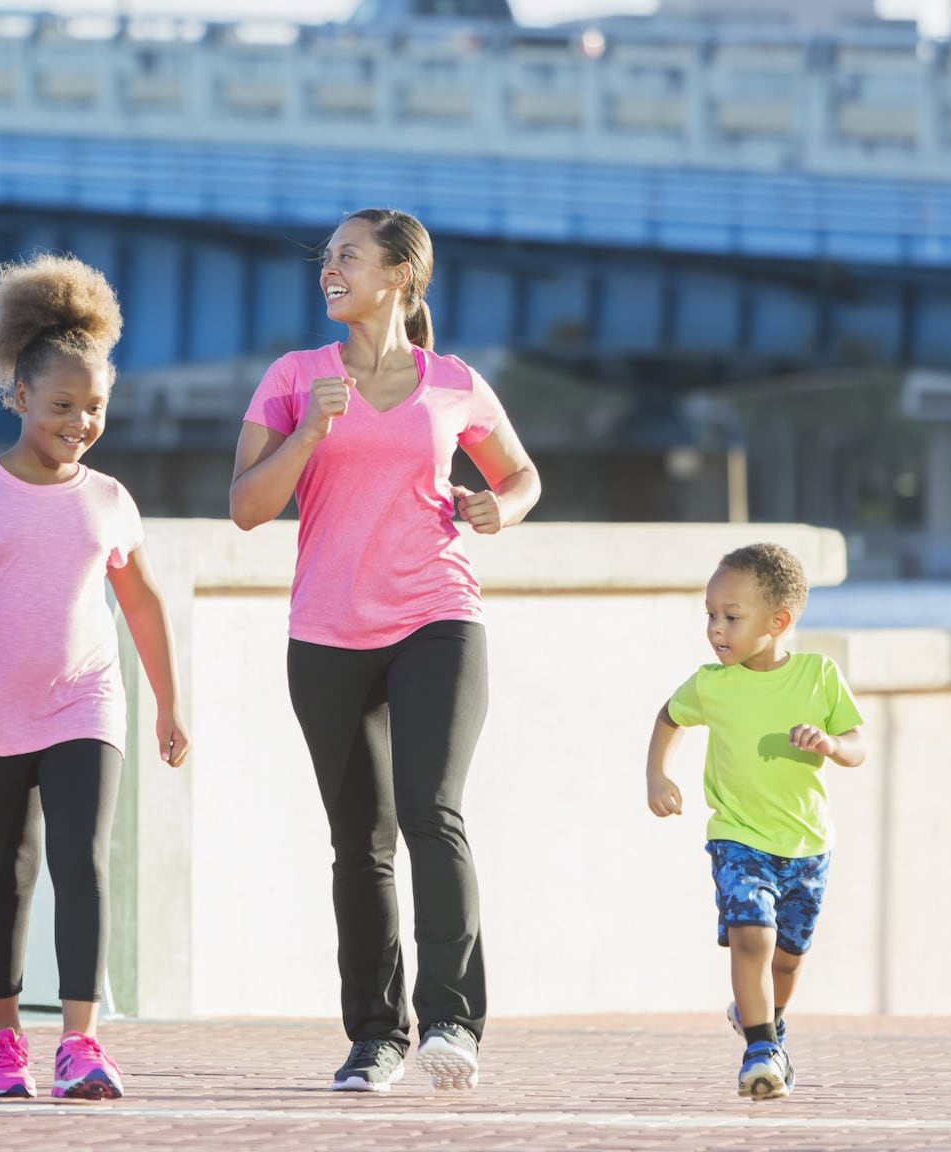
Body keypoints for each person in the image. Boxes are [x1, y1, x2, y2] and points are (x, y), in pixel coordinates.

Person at [227, 208, 541, 1093]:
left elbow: (521, 475)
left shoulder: (455, 382)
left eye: (348, 257)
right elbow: (246, 506)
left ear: (400, 275)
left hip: (438, 612)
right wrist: (308, 435)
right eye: (326, 258)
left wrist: (497, 508)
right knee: (360, 843)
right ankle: (376, 1036)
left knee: (431, 811)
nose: (329, 270)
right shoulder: (294, 379)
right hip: (326, 631)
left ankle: (452, 1021)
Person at [0, 254, 190, 1101]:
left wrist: (170, 706)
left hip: (86, 700)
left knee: (83, 861)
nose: (79, 422)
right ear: (19, 398)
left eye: (95, 408)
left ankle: (81, 1043)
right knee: (5, 867)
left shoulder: (109, 497)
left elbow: (141, 605)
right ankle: (0, 1042)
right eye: (62, 405)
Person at [643, 543, 865, 1100]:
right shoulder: (711, 684)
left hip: (808, 844)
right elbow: (669, 717)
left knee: (787, 960)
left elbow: (858, 744)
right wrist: (657, 776)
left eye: (731, 618)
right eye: (710, 615)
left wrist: (833, 744)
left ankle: (770, 1025)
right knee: (752, 937)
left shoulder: (818, 676)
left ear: (779, 622)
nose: (716, 629)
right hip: (738, 836)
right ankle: (760, 1049)